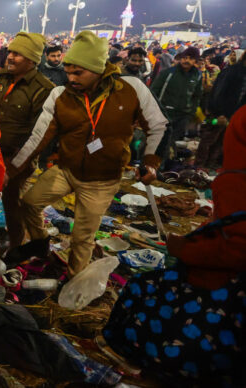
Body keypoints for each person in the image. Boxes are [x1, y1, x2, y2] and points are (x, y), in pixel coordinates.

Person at [100, 105, 246, 386]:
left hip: (222, 299)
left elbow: (234, 246)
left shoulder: (236, 182)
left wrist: (184, 248)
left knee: (150, 298)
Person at [9, 31, 167, 277]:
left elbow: (158, 126)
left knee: (82, 236)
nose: (70, 78)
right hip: (67, 170)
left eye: (78, 73)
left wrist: (150, 162)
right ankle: (40, 245)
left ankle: (74, 281)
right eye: (68, 71)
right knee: (29, 203)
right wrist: (10, 171)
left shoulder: (131, 89)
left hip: (102, 180)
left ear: (97, 68)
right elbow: (37, 138)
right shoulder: (60, 95)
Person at [0, 32, 54, 249]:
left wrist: (12, 168)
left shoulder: (43, 89)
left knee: (11, 203)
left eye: (17, 54)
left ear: (32, 60)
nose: (10, 57)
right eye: (10, 52)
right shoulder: (1, 78)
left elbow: (37, 134)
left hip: (18, 158)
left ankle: (15, 247)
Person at [150, 46, 202, 171]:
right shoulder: (169, 73)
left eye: (190, 58)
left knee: (170, 140)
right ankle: (156, 166)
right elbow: (154, 91)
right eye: (184, 57)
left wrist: (191, 112)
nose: (186, 60)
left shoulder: (197, 75)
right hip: (165, 113)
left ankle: (162, 167)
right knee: (161, 140)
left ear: (195, 61)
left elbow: (197, 95)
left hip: (183, 115)